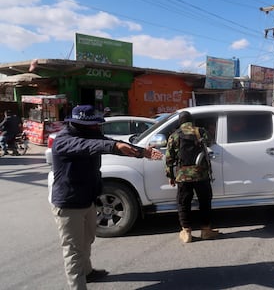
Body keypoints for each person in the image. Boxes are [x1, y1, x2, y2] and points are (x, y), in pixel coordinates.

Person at [50, 104, 163, 290]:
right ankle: (78, 286)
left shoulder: (90, 134)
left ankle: (88, 272)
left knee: (87, 240)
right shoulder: (64, 140)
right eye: (94, 124)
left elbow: (113, 144)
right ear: (80, 124)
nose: (98, 128)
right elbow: (90, 146)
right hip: (69, 204)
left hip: (87, 198)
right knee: (73, 250)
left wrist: (143, 152)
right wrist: (113, 145)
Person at [165, 111, 219, 243]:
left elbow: (169, 159)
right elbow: (211, 142)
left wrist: (171, 176)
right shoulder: (200, 131)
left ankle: (187, 232)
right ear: (192, 121)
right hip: (201, 174)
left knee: (183, 203)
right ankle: (206, 230)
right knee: (204, 202)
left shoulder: (175, 135)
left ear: (180, 121)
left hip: (183, 176)